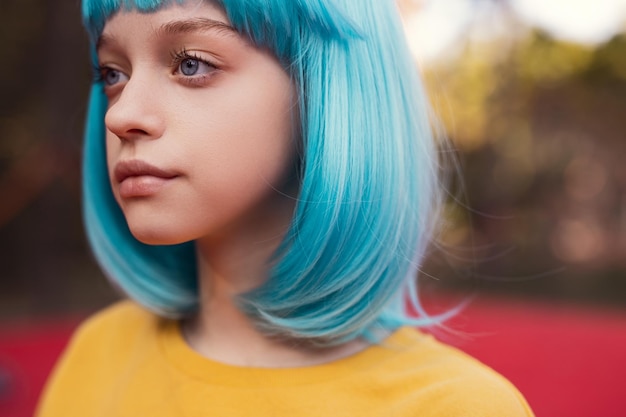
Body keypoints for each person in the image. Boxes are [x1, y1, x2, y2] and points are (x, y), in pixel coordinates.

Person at [37, 0, 534, 415]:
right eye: (111, 72)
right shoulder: (96, 356)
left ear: (322, 89)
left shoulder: (459, 407)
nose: (121, 114)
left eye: (191, 63)